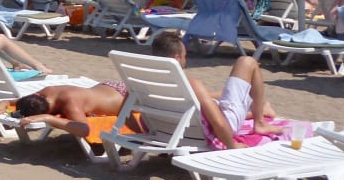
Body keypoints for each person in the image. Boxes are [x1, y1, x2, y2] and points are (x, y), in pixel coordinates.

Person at [151, 30, 282, 150]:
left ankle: (259, 110)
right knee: (247, 62)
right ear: (176, 58)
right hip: (223, 125)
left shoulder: (149, 83)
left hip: (170, 129)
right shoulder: (191, 85)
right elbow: (218, 122)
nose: (186, 59)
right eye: (185, 56)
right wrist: (232, 145)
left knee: (218, 96)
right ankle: (260, 122)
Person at [14, 80, 130, 138]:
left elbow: (84, 130)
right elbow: (20, 101)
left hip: (126, 97)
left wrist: (48, 118)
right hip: (109, 86)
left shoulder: (70, 103)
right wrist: (5, 102)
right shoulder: (47, 92)